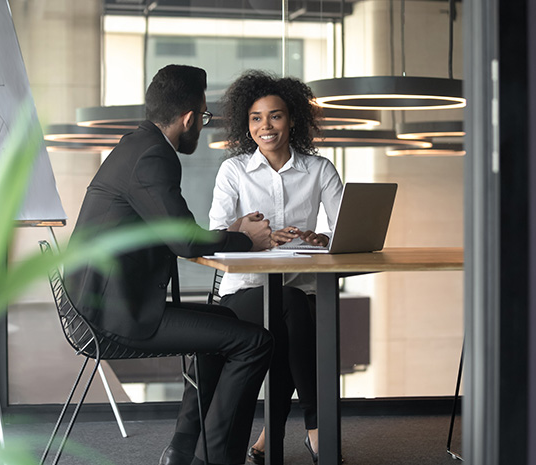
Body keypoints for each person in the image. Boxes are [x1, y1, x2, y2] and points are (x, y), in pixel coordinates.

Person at [65, 64, 276, 465]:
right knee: (255, 342)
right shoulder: (153, 156)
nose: (203, 126)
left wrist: (230, 231)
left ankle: (184, 451)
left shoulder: (138, 145)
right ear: (189, 118)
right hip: (112, 313)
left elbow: (174, 230)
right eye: (205, 118)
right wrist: (245, 239)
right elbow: (182, 241)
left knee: (228, 325)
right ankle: (216, 457)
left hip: (108, 301)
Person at [208, 70, 344, 464]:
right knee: (290, 305)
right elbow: (216, 235)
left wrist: (324, 239)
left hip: (304, 293)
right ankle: (318, 427)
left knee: (291, 313)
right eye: (255, 117)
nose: (265, 126)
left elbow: (345, 231)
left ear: (293, 120)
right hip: (244, 295)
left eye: (276, 116)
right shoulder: (233, 172)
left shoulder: (320, 170)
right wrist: (252, 235)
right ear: (245, 124)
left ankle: (271, 436)